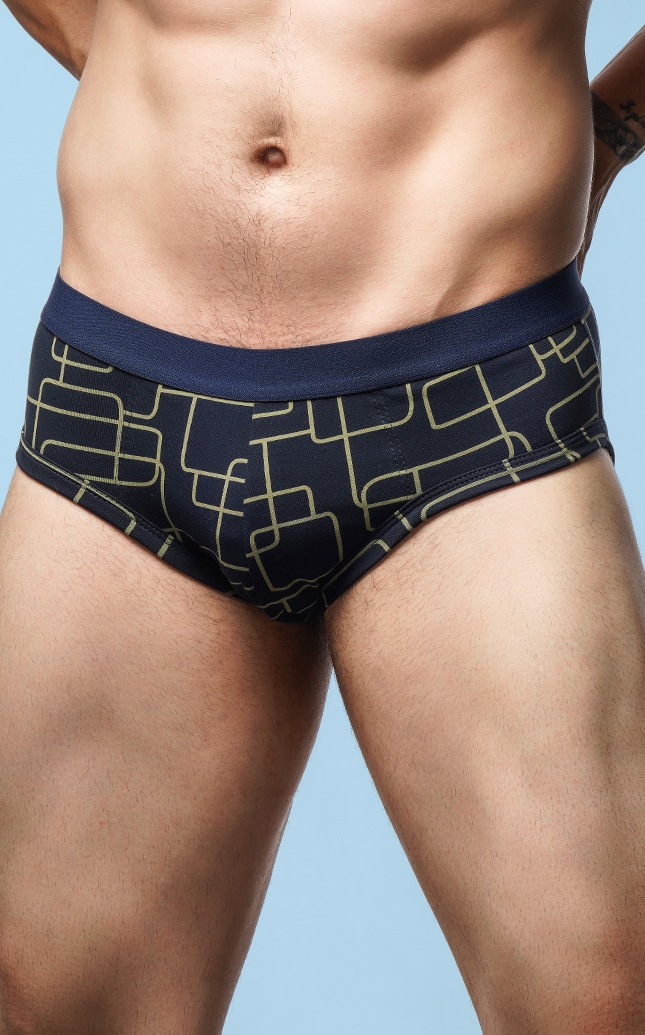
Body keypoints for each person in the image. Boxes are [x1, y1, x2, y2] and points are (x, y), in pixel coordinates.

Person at [0, 0, 644, 1030]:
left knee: (602, 1004)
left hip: (468, 395)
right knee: (55, 1010)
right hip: (122, 392)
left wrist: (610, 128)